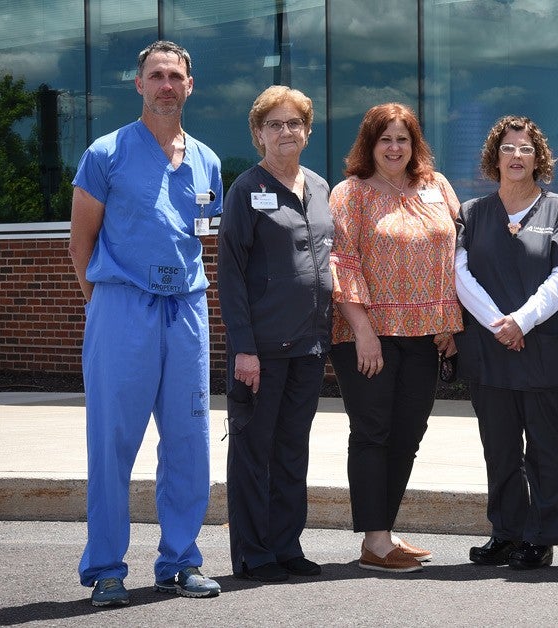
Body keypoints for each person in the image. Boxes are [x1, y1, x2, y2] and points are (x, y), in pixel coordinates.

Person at [67, 40, 223, 607]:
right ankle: (106, 568)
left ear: (189, 85)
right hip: (122, 308)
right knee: (112, 441)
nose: (165, 85)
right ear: (139, 85)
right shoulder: (105, 154)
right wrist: (106, 305)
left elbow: (200, 238)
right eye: (156, 75)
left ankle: (180, 562)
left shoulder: (207, 161)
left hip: (186, 311)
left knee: (189, 440)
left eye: (175, 76)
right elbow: (80, 244)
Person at [329, 103, 463, 573]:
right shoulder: (350, 193)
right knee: (373, 432)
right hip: (368, 335)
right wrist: (363, 332)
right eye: (384, 138)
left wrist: (449, 320)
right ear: (369, 144)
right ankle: (375, 541)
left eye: (402, 138)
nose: (393, 147)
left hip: (426, 335)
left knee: (408, 434)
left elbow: (456, 254)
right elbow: (342, 263)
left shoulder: (437, 186)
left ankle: (384, 531)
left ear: (414, 143)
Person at [455, 116, 558, 570]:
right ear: (495, 157)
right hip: (489, 351)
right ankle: (506, 533)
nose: (516, 155)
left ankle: (540, 536)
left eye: (526, 148)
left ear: (538, 158)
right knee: (500, 448)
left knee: (545, 449)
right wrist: (498, 325)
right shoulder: (473, 213)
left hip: (541, 351)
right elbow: (459, 273)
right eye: (508, 148)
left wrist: (522, 322)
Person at [218, 86, 332, 583]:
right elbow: (230, 274)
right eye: (275, 124)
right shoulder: (246, 190)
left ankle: (287, 546)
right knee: (253, 453)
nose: (286, 132)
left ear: (307, 131)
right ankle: (254, 554)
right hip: (261, 350)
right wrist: (244, 348)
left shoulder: (321, 188)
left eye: (294, 123)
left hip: (309, 345)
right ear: (258, 133)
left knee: (292, 450)